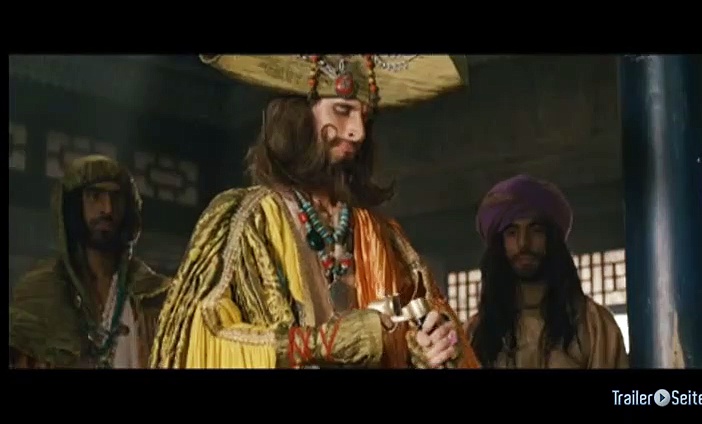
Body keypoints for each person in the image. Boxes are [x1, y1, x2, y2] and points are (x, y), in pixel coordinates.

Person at [150, 54, 479, 369]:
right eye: (342, 110)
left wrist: (425, 350)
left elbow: (422, 329)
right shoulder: (245, 220)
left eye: (365, 117)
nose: (358, 132)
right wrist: (331, 342)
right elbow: (208, 336)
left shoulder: (381, 234)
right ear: (299, 114)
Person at [9, 155, 171, 368]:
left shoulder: (156, 296)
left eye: (116, 198)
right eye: (95, 196)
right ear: (75, 206)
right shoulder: (38, 293)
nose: (108, 209)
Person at [466, 174, 629, 368]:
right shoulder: (474, 334)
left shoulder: (594, 325)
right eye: (512, 233)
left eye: (536, 230)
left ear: (552, 240)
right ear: (499, 246)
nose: (523, 243)